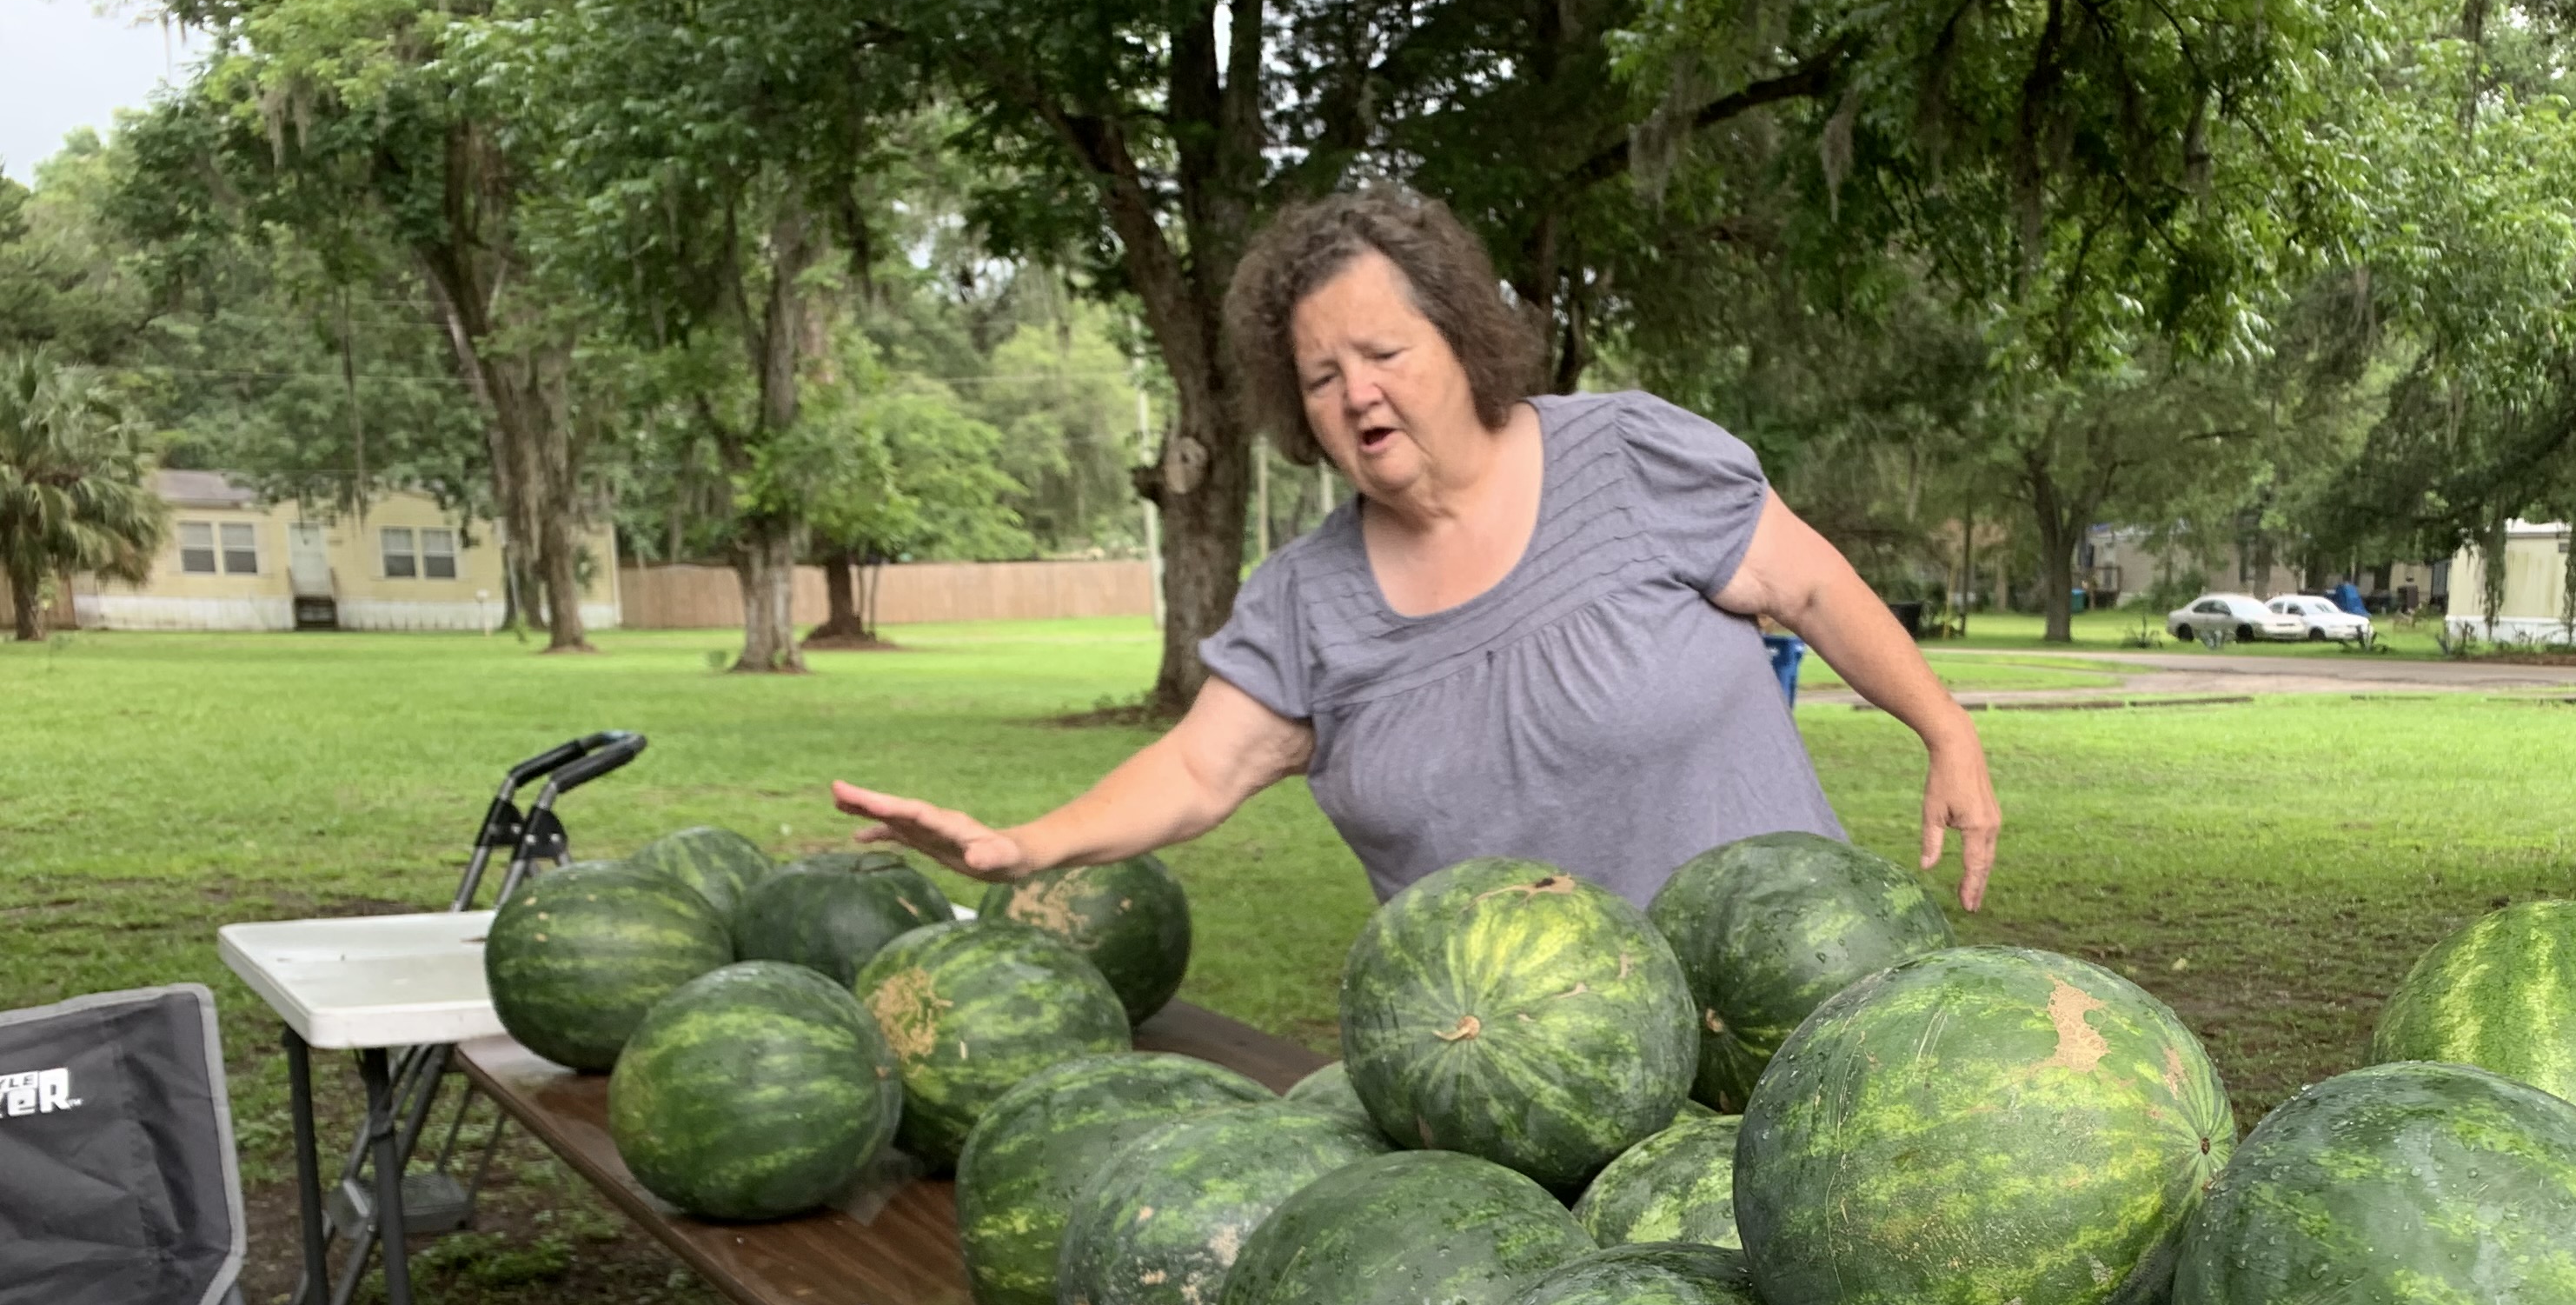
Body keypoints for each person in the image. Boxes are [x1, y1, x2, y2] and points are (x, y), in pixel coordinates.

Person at [833, 189, 2001, 909]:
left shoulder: (1629, 455)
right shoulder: (1307, 604)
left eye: (1383, 353)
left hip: (1786, 1015)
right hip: (1523, 1099)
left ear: (1460, 334)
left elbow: (1809, 583)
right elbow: (1197, 770)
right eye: (1322, 378)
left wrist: (1944, 729)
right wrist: (1020, 847)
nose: (1358, 394)